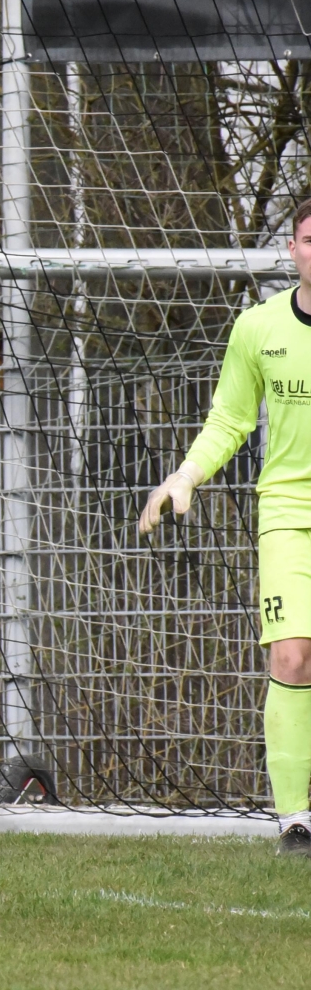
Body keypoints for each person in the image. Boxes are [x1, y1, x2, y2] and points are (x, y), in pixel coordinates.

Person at [140, 197, 311, 855]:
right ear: (292, 250)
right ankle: (295, 820)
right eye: (309, 240)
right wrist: (186, 475)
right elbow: (230, 419)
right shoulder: (257, 327)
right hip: (288, 513)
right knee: (291, 654)